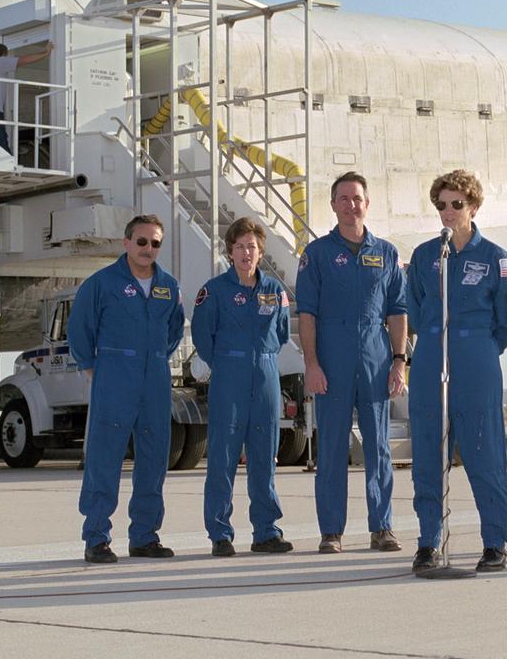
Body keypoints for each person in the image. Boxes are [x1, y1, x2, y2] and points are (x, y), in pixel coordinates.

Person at [406, 170, 507, 574]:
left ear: (473, 206)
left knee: (483, 451)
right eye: (441, 205)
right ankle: (428, 542)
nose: (448, 212)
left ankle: (494, 542)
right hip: (431, 355)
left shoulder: (495, 257)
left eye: (456, 204)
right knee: (427, 454)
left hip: (475, 355)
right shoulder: (425, 255)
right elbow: (415, 307)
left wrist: (481, 347)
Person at [296, 172, 407, 553]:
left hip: (376, 357)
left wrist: (398, 361)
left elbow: (396, 310)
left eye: (357, 198)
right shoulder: (318, 255)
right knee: (330, 448)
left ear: (367, 203)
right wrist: (311, 363)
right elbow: (306, 313)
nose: (350, 204)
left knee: (379, 446)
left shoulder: (387, 253)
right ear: (333, 205)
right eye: (343, 198)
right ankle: (332, 531)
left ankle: (383, 527)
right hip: (332, 356)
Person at [68, 214, 184, 564]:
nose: (149, 248)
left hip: (155, 380)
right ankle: (97, 538)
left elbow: (175, 331)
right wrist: (96, 370)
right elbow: (80, 330)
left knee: (153, 458)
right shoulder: (101, 284)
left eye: (156, 243)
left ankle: (145, 537)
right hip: (114, 378)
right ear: (127, 243)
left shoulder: (169, 286)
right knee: (105, 459)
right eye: (142, 241)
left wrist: (153, 361)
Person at [192, 217, 294, 557]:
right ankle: (220, 533)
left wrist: (259, 359)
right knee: (222, 457)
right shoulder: (215, 291)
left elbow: (280, 334)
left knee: (265, 457)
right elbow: (203, 337)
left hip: (265, 375)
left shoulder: (275, 291)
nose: (246, 253)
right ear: (230, 252)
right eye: (239, 247)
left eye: (252, 247)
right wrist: (228, 362)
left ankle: (267, 531)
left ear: (260, 252)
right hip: (229, 375)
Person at [0, 40, 52, 153]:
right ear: (5, 54)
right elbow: (24, 60)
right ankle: (7, 161)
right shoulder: (0, 62)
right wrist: (45, 53)